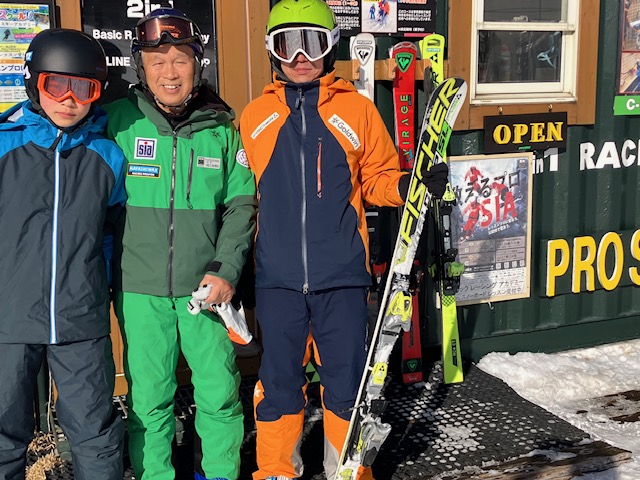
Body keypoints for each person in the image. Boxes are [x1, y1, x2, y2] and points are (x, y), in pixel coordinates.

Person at [238, 1, 450, 479]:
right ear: (272, 51)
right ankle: (277, 469)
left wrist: (408, 185)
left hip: (342, 277)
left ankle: (348, 471)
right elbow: (239, 196)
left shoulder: (356, 109)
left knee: (347, 385)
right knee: (278, 384)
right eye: (286, 44)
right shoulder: (254, 116)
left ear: (331, 45)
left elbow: (377, 178)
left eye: (311, 43)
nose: (299, 57)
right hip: (277, 281)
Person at [103, 7, 256, 480]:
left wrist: (225, 270)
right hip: (139, 290)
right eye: (157, 61)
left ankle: (220, 475)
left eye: (180, 60)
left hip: (204, 291)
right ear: (141, 67)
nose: (169, 72)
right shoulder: (117, 121)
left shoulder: (221, 127)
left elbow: (241, 206)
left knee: (219, 394)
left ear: (197, 65)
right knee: (149, 402)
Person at [0, 29, 125, 480]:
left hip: (79, 320)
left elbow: (111, 232)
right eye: (57, 85)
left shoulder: (106, 157)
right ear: (34, 83)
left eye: (83, 89)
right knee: (3, 429)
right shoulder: (6, 146)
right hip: (9, 317)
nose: (69, 100)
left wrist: (98, 284)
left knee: (94, 431)